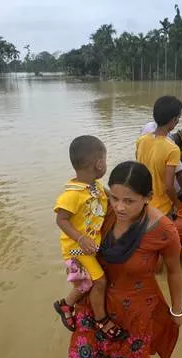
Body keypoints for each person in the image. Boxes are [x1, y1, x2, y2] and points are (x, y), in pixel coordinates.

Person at [67, 161, 182, 358]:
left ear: (148, 198)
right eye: (115, 198)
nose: (119, 207)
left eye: (129, 201)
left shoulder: (164, 231)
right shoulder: (101, 212)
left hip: (133, 313)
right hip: (93, 306)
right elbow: (77, 246)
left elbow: (174, 271)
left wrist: (176, 309)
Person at [53, 136, 127, 341]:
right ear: (99, 163)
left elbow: (111, 197)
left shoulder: (95, 185)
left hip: (91, 244)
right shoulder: (71, 194)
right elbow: (61, 220)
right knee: (100, 281)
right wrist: (81, 238)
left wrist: (126, 202)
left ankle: (65, 304)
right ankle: (101, 319)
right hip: (76, 247)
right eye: (105, 159)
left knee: (86, 283)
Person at [135, 95, 182, 217]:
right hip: (160, 208)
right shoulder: (172, 148)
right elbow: (168, 186)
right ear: (174, 119)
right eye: (178, 117)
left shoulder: (141, 140)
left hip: (142, 202)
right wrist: (176, 203)